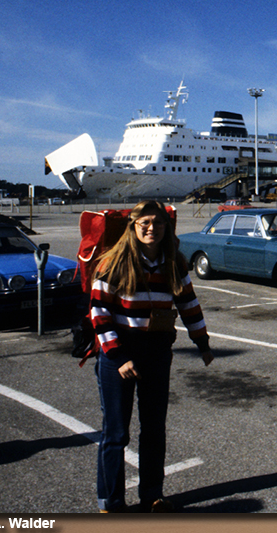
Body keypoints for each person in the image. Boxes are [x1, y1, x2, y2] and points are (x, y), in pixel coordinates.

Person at [89, 200, 213, 513]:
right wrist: (118, 357)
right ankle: (111, 502)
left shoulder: (174, 262)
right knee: (116, 433)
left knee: (154, 429)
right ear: (133, 226)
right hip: (120, 355)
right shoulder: (113, 263)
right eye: (144, 223)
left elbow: (189, 304)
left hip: (157, 353)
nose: (150, 228)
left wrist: (202, 342)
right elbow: (99, 312)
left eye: (157, 223)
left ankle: (152, 496)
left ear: (165, 228)